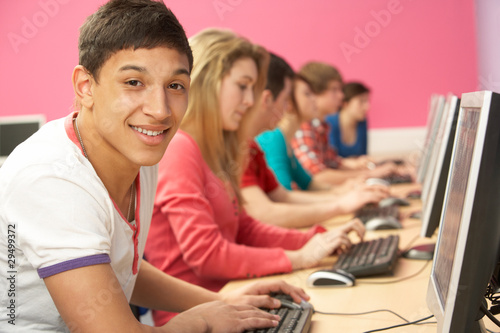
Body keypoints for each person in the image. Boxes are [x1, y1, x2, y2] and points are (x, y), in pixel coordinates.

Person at [0, 2, 310, 332]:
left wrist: (221, 302)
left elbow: (120, 269)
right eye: (134, 82)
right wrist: (203, 319)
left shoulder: (138, 152)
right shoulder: (52, 178)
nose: (160, 110)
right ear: (85, 86)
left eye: (175, 85)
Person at [144, 28, 366, 326]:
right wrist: (298, 258)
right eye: (243, 86)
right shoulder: (179, 148)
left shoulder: (215, 148)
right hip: (195, 317)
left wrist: (314, 240)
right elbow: (207, 255)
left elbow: (244, 229)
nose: (250, 100)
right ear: (209, 81)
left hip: (233, 300)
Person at [240, 53, 389, 228]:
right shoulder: (272, 139)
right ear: (290, 101)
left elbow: (301, 188)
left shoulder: (262, 144)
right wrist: (340, 202)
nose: (314, 100)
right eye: (307, 94)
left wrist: (342, 194)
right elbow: (277, 206)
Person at [291, 61, 398, 186]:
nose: (341, 96)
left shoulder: (321, 126)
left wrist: (364, 167)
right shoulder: (303, 127)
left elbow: (332, 162)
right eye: (334, 90)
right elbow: (318, 176)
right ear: (315, 93)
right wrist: (370, 173)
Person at [325, 82, 370, 158]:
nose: (367, 107)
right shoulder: (330, 122)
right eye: (361, 101)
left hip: (357, 169)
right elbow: (330, 159)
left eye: (367, 101)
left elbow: (363, 156)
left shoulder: (362, 122)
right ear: (345, 103)